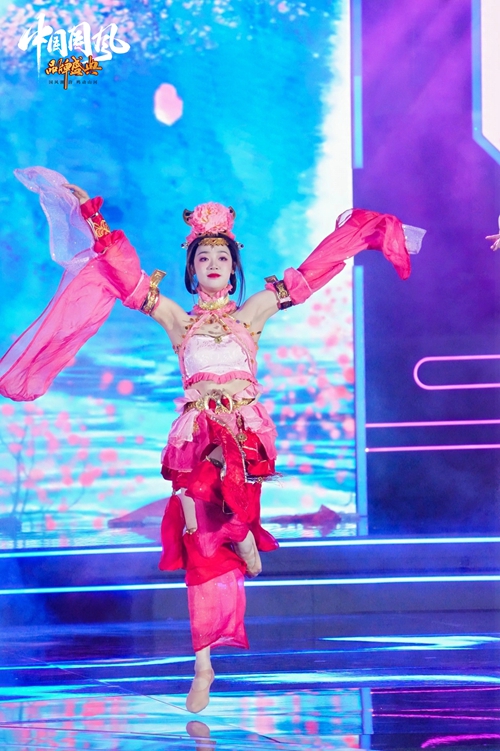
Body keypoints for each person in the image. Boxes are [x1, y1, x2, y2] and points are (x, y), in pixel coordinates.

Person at [0, 166, 423, 712]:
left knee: (201, 488)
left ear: (234, 267)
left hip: (242, 436)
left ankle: (243, 528)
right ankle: (203, 664)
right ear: (192, 270)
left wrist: (361, 236)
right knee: (200, 550)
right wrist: (95, 221)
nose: (214, 264)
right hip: (197, 434)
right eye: (204, 258)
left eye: (222, 257)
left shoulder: (253, 314)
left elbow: (310, 273)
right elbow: (126, 280)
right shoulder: (180, 322)